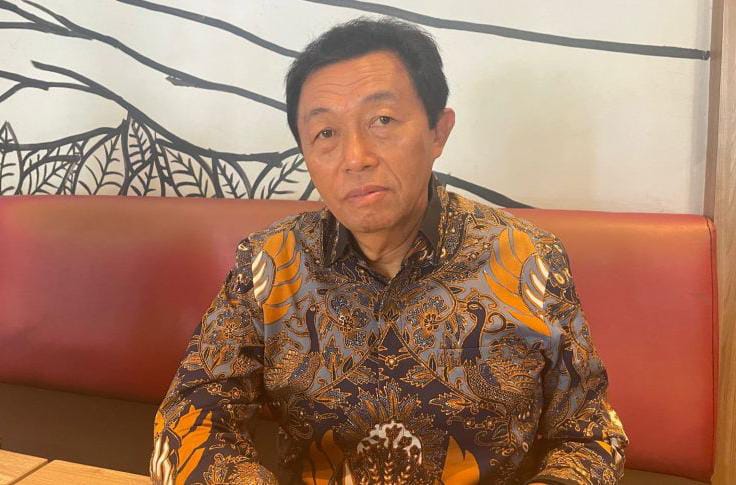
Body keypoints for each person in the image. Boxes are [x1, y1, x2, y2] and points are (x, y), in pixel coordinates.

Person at [151, 18, 627, 485]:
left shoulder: (526, 257)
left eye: (382, 120)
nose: (355, 157)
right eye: (326, 133)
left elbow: (589, 435)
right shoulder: (268, 263)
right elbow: (190, 418)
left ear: (438, 132)